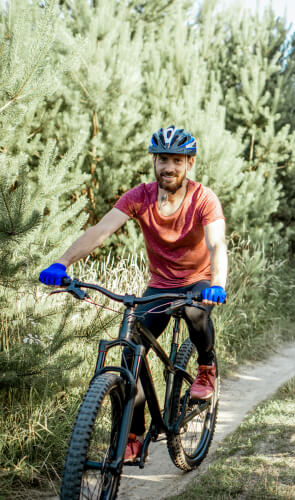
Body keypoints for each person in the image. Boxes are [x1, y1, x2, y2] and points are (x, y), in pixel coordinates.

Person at [39, 126, 228, 462]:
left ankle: (207, 367)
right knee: (131, 349)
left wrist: (218, 284)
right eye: (163, 160)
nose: (169, 167)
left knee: (197, 311)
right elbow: (100, 231)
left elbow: (216, 244)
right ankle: (134, 434)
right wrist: (62, 262)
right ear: (154, 162)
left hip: (197, 281)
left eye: (177, 160)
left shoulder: (203, 198)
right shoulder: (139, 196)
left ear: (189, 163)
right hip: (159, 285)